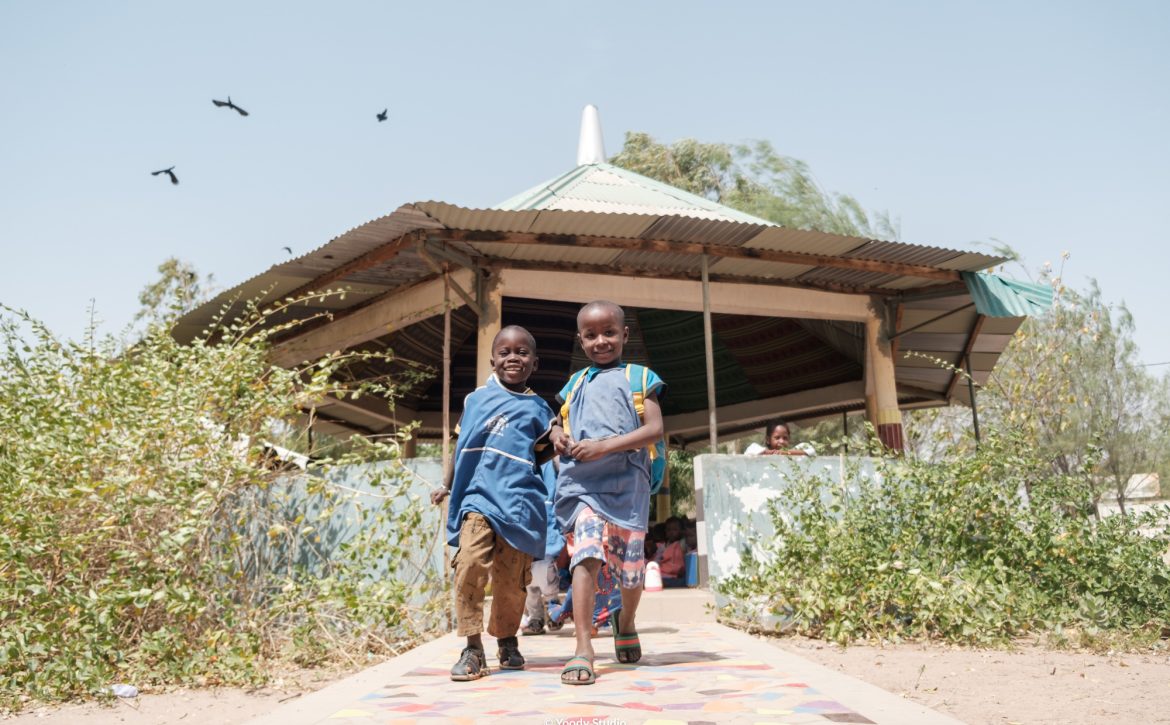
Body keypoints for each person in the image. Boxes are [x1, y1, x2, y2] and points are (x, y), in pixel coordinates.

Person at [430, 325, 555, 682]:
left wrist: (558, 433)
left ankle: (506, 639)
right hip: (476, 498)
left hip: (518, 504)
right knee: (468, 564)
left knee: (511, 580)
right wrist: (445, 484)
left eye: (522, 353)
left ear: (535, 362)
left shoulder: (539, 408)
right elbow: (460, 445)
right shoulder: (475, 400)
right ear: (492, 360)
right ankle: (472, 649)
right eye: (505, 352)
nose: (513, 358)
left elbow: (544, 453)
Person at [549, 300, 665, 685]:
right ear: (580, 340)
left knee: (630, 574)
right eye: (591, 335)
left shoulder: (639, 378)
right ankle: (583, 647)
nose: (601, 341)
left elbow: (653, 431)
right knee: (585, 554)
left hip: (627, 487)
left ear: (624, 334)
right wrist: (560, 440)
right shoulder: (574, 384)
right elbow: (561, 427)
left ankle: (625, 619)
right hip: (583, 486)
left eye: (609, 333)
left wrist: (604, 445)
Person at [521, 461, 564, 636]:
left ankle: (553, 606)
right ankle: (535, 618)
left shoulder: (550, 462)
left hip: (546, 529)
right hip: (523, 529)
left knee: (545, 575)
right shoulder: (521, 458)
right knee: (528, 582)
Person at [744, 419, 816, 456]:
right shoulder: (759, 451)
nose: (781, 441)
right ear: (768, 440)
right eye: (777, 438)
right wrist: (771, 453)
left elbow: (811, 451)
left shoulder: (794, 453)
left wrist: (785, 453)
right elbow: (750, 451)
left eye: (785, 438)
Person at [656, 515, 687, 587]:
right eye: (669, 530)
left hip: (679, 574)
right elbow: (657, 559)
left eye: (675, 529)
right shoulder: (664, 546)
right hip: (665, 573)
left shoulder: (683, 543)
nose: (671, 532)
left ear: (681, 531)